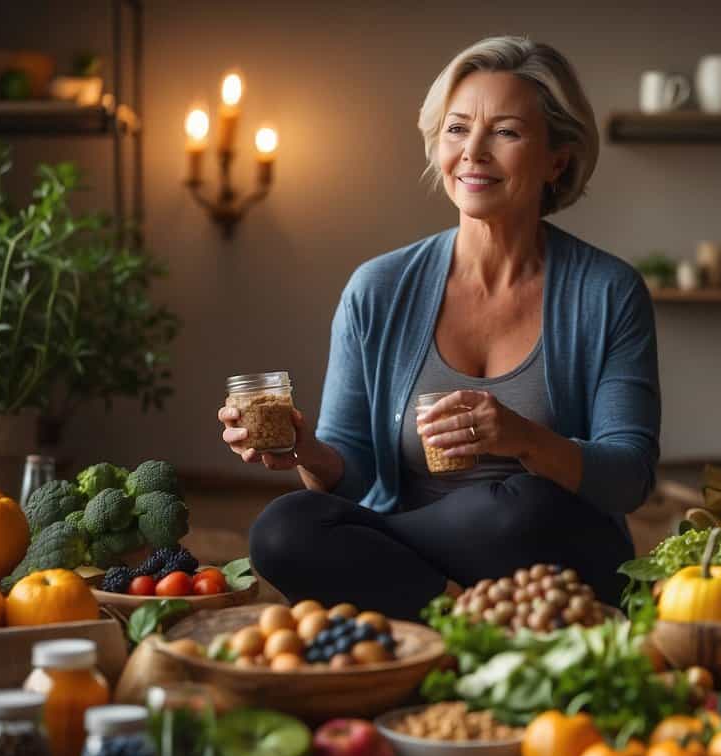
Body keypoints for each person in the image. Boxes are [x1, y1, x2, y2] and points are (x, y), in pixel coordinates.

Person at [219, 35, 660, 621]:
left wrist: (524, 439)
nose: (473, 151)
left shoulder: (609, 291)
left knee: (520, 506)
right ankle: (462, 617)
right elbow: (351, 475)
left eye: (505, 132)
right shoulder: (377, 288)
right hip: (439, 551)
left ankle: (408, 601)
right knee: (282, 528)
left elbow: (628, 477)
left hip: (551, 551)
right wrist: (304, 448)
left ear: (558, 158)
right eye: (456, 129)